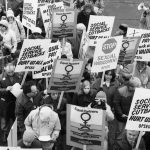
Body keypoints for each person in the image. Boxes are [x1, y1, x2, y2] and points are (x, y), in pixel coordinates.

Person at [0, 63, 21, 142]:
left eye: (12, 71)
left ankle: (17, 134)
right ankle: (5, 134)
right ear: (5, 69)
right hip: (5, 102)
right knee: (4, 120)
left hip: (16, 101)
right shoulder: (1, 77)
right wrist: (5, 89)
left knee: (17, 117)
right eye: (9, 72)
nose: (11, 73)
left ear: (14, 69)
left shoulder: (19, 76)